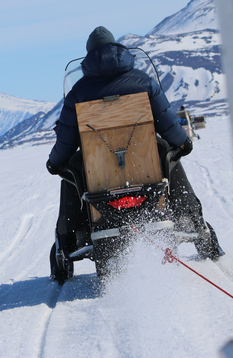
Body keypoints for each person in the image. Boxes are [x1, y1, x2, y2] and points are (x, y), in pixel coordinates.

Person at [46, 26, 224, 280]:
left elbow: (66, 140)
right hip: (146, 173)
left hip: (99, 180)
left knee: (70, 168)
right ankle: (192, 217)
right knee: (167, 152)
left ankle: (69, 235)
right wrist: (183, 143)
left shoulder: (78, 92)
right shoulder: (144, 82)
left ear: (89, 57)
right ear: (119, 50)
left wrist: (55, 162)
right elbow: (167, 122)